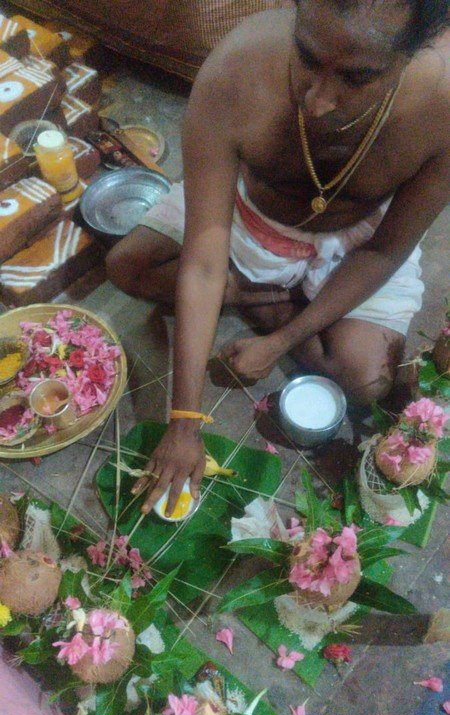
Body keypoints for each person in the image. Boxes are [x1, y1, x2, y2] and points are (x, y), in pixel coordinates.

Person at [106, 0, 450, 516]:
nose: (318, 101)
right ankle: (251, 291)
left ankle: (271, 305)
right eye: (307, 57)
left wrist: (281, 340)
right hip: (248, 212)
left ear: (414, 53)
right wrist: (183, 421)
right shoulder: (234, 70)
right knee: (126, 266)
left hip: (357, 241)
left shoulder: (441, 108)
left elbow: (384, 250)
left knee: (368, 383)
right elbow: (204, 253)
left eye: (357, 77)